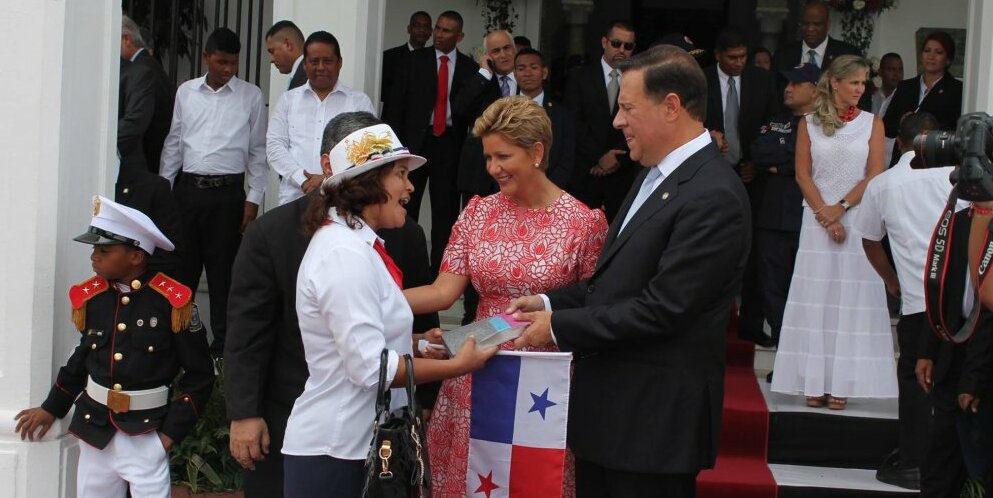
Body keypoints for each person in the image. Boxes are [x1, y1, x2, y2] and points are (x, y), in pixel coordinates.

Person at [509, 45, 752, 498]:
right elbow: (617, 282)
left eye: (627, 108)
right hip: (612, 421)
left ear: (671, 106)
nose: (618, 121)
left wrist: (556, 326)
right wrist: (545, 302)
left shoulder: (713, 195)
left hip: (652, 429)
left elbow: (664, 309)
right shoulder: (652, 176)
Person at [226, 112, 439, 498]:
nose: (409, 186)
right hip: (296, 413)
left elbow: (411, 317)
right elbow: (247, 331)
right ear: (331, 164)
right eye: (398, 173)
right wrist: (244, 412)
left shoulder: (403, 231)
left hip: (380, 426)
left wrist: (423, 385)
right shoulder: (272, 232)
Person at [404, 96, 607, 496]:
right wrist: (370, 298)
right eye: (488, 157)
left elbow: (594, 304)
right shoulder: (477, 213)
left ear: (537, 153)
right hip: (475, 371)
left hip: (542, 388)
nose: (492, 168)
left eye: (503, 156)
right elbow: (443, 292)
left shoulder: (583, 223)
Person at [280, 122, 496, 498]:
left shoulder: (355, 246)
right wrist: (457, 367)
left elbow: (360, 343)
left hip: (359, 446)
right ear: (368, 183)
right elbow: (370, 369)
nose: (411, 186)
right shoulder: (344, 254)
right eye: (400, 174)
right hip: (338, 451)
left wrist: (418, 344)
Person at [14, 196, 214, 497]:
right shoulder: (94, 298)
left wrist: (168, 436)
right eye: (94, 249)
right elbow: (82, 358)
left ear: (136, 256)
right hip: (94, 430)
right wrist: (52, 407)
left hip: (146, 433)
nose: (94, 257)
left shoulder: (171, 302)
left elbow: (200, 375)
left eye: (104, 250)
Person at [770, 55, 896, 410]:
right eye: (854, 82)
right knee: (817, 295)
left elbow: (874, 173)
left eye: (863, 83)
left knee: (849, 299)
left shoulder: (873, 123)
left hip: (855, 217)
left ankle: (842, 381)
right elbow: (802, 174)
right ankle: (814, 379)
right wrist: (825, 216)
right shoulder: (808, 123)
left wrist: (840, 208)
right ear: (835, 83)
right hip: (816, 218)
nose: (860, 89)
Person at [856, 112, 956, 489]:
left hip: (916, 299)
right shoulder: (956, 177)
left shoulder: (883, 184)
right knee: (952, 379)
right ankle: (947, 462)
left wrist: (892, 281)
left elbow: (869, 240)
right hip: (957, 300)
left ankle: (914, 462)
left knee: (914, 380)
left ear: (899, 142)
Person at [160, 27, 268, 358]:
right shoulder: (186, 92)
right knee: (182, 272)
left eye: (233, 63)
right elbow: (174, 142)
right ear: (207, 57)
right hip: (187, 192)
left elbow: (258, 151)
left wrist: (253, 198)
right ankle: (178, 350)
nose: (228, 69)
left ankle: (222, 353)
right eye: (221, 62)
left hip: (228, 196)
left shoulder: (251, 96)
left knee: (224, 277)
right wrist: (164, 189)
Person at [384, 10, 479, 273]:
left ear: (460, 36)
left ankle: (439, 272)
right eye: (437, 28)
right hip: (414, 143)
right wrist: (393, 149)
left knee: (445, 211)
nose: (438, 34)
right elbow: (395, 106)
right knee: (406, 204)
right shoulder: (413, 60)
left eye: (446, 30)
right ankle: (404, 268)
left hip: (449, 144)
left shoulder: (469, 68)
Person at [703, 28, 779, 347]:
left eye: (743, 57)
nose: (738, 63)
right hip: (709, 177)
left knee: (754, 252)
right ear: (718, 55)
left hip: (752, 178)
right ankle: (708, 323)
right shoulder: (701, 79)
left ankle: (751, 323)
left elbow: (772, 125)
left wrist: (756, 163)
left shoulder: (762, 80)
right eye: (732, 58)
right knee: (711, 248)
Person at [750, 62, 820, 348]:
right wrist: (791, 161)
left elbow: (816, 162)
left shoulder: (827, 125)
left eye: (796, 83)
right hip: (773, 218)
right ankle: (784, 350)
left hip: (810, 219)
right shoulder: (777, 120)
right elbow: (758, 152)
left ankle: (806, 352)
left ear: (815, 90)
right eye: (787, 83)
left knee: (807, 289)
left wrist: (784, 164)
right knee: (772, 286)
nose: (788, 89)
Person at [267, 30, 376, 206]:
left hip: (342, 199)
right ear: (304, 64)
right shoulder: (288, 100)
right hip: (294, 198)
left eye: (327, 61)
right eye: (314, 61)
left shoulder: (359, 102)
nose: (320, 67)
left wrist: (328, 179)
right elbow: (274, 145)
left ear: (339, 63)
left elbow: (368, 151)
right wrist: (302, 179)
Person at [565, 20, 640, 222]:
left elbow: (640, 123)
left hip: (622, 175)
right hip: (586, 173)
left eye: (628, 46)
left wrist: (616, 159)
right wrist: (598, 158)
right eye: (616, 43)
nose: (621, 50)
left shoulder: (638, 81)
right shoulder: (580, 77)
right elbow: (574, 123)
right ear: (604, 42)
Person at [883, 31, 963, 164]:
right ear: (921, 55)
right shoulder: (905, 86)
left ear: (948, 59)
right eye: (927, 51)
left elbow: (956, 131)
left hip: (935, 160)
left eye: (938, 52)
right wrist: (902, 123)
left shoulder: (957, 89)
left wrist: (927, 126)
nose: (931, 56)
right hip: (903, 159)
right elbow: (886, 126)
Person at [772, 1, 868, 110]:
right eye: (806, 24)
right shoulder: (784, 54)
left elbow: (860, 96)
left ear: (828, 25)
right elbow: (774, 94)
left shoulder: (847, 53)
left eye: (816, 24)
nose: (810, 29)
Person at [516, 48, 576, 189]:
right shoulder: (502, 112)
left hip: (549, 191)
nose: (527, 73)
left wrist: (544, 189)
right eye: (521, 68)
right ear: (515, 74)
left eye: (534, 67)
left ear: (544, 73)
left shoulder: (562, 115)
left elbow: (566, 160)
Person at [121, 14, 174, 174]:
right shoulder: (148, 65)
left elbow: (139, 119)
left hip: (147, 158)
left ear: (127, 39)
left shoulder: (142, 69)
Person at [381, 11, 432, 117]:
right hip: (393, 117)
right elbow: (383, 91)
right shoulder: (389, 56)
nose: (422, 30)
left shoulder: (435, 59)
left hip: (423, 121)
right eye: (417, 25)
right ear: (409, 29)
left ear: (431, 32)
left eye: (426, 26)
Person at [872, 52, 904, 161]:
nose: (897, 74)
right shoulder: (872, 97)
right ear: (880, 72)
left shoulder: (906, 99)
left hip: (893, 157)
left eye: (900, 69)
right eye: (891, 69)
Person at [265, 21, 307, 90]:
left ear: (288, 44)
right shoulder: (303, 75)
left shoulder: (309, 77)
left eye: (272, 51)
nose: (271, 60)